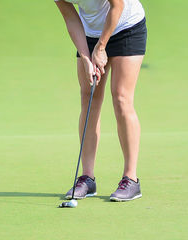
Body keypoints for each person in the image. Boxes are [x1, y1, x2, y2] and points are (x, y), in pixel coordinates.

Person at [55, 0, 146, 201]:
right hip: (90, 34)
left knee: (121, 97)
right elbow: (70, 18)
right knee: (89, 97)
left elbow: (118, 6)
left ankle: (131, 179)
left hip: (126, 26)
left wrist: (102, 46)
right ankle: (87, 179)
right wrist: (86, 58)